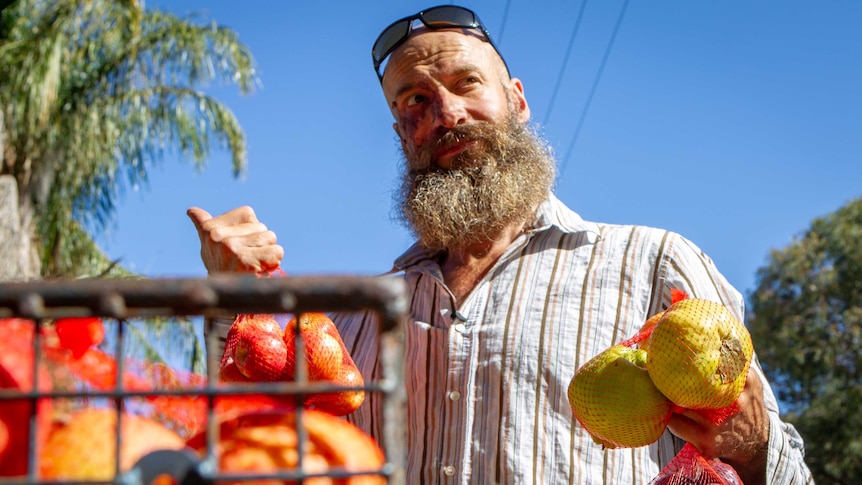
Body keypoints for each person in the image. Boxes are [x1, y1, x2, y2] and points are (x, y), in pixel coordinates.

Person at [187, 5, 812, 484]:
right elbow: (257, 443)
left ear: (515, 100)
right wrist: (233, 303)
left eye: (467, 84)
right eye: (416, 101)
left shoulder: (652, 264)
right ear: (402, 134)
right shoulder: (354, 322)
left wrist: (753, 445)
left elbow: (770, 462)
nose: (446, 113)